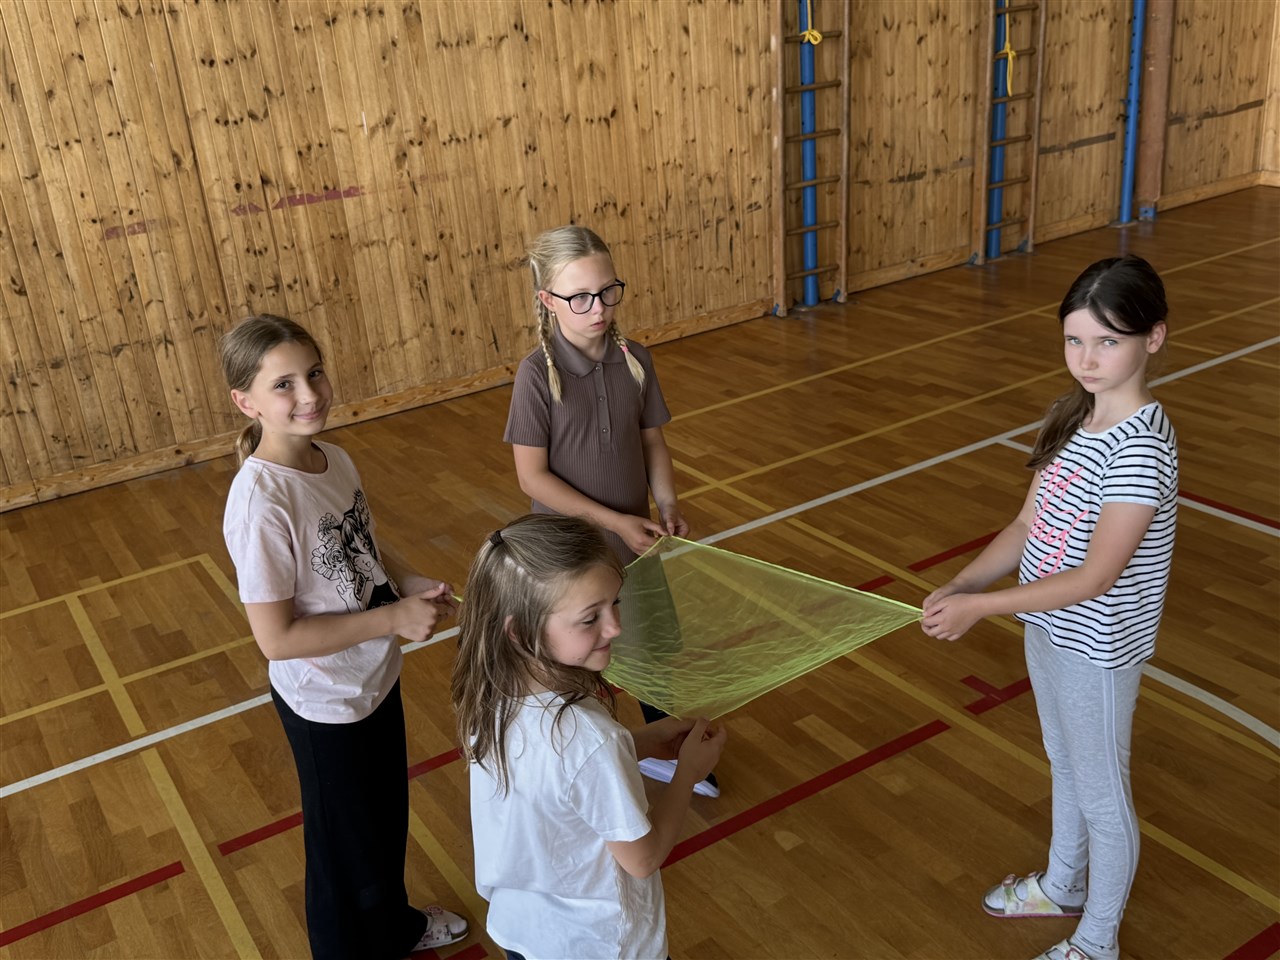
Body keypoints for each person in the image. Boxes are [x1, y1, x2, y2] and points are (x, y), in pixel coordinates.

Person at [921, 255, 1177, 960]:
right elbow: (1026, 524)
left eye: (1108, 341)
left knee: (1103, 794)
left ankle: (1097, 940)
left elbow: (1095, 577)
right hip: (1048, 628)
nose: (1087, 359)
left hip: (1098, 647)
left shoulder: (1141, 450)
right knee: (1064, 761)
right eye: (1074, 340)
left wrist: (984, 608)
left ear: (1153, 338)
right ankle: (1064, 885)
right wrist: (964, 585)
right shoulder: (1070, 417)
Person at [219, 315, 469, 959]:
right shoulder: (261, 504)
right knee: (341, 855)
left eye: (314, 373)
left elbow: (361, 547)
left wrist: (405, 582)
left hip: (372, 679)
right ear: (246, 402)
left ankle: (394, 927)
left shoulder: (335, 459)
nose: (309, 394)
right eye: (284, 384)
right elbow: (276, 639)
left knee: (382, 825)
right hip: (324, 704)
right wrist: (391, 620)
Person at [451, 514, 727, 960]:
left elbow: (555, 778)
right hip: (599, 945)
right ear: (520, 632)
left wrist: (638, 743)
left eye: (614, 603)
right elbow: (643, 858)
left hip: (524, 931)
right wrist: (687, 774)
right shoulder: (591, 738)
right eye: (589, 618)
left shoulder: (492, 694)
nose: (615, 626)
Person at [504, 225, 718, 796]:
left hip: (636, 543)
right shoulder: (535, 375)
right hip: (569, 558)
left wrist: (666, 503)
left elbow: (652, 443)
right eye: (579, 297)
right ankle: (585, 757)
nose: (597, 308)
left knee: (649, 650)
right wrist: (614, 521)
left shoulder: (635, 360)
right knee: (578, 660)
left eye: (607, 292)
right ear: (548, 300)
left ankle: (661, 748)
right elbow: (532, 477)